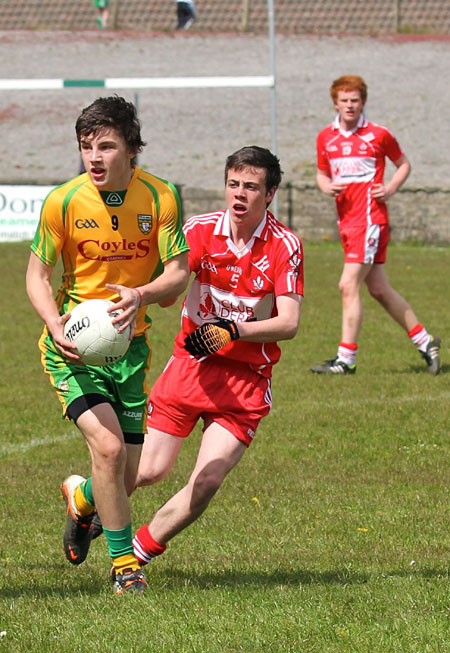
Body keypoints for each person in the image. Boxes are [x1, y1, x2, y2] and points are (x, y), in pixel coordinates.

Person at [26, 95, 190, 594]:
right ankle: (125, 569)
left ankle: (83, 500)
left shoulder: (160, 197)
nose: (94, 157)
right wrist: (55, 322)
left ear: (132, 148)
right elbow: (37, 275)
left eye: (105, 146)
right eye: (86, 147)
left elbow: (178, 273)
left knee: (132, 473)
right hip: (73, 350)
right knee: (109, 447)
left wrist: (141, 294)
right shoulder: (64, 200)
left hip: (131, 349)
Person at [129, 145, 304, 568]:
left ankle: (136, 555)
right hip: (192, 366)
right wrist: (159, 291)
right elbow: (172, 287)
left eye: (251, 187)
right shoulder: (200, 230)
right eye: (233, 184)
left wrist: (231, 329)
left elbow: (289, 323)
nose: (239, 194)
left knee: (207, 481)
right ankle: (85, 497)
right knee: (149, 470)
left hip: (245, 381)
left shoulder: (285, 245)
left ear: (271, 193)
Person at [311, 75, 440, 375]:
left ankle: (346, 359)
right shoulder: (325, 137)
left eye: (355, 100)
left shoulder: (378, 134)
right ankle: (426, 342)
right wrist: (325, 185)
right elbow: (320, 173)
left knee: (347, 285)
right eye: (344, 100)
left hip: (369, 220)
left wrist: (391, 187)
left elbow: (404, 163)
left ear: (363, 102)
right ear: (335, 103)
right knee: (379, 289)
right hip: (347, 220)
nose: (350, 105)